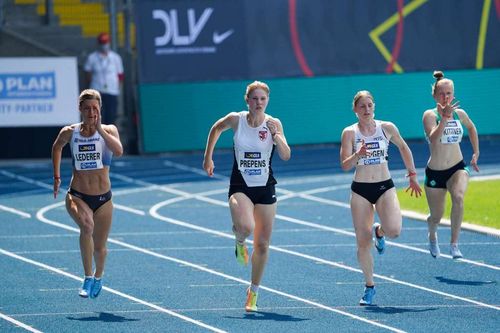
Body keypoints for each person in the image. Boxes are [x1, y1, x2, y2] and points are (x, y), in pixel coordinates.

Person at [203, 81, 291, 312]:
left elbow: (286, 155)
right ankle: (240, 241)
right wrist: (208, 157)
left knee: (262, 244)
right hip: (240, 185)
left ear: (267, 101)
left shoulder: (274, 123)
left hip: (265, 187)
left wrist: (277, 135)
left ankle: (253, 291)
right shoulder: (237, 119)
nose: (259, 103)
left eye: (263, 99)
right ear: (247, 101)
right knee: (245, 226)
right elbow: (216, 128)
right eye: (255, 99)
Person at [340, 90, 422, 306]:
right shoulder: (349, 132)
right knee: (362, 241)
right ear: (355, 110)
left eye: (370, 105)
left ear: (374, 107)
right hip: (361, 190)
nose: (366, 110)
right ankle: (369, 286)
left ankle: (380, 231)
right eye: (362, 107)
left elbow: (404, 147)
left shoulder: (386, 128)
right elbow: (345, 165)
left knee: (394, 230)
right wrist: (358, 154)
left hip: (384, 186)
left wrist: (412, 175)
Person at [52, 89, 123, 298]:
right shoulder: (70, 132)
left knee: (100, 247)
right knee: (86, 226)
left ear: (100, 109)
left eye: (95, 108)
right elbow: (57, 147)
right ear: (80, 109)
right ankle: (87, 276)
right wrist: (57, 177)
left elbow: (118, 151)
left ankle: (99, 277)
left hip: (103, 199)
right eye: (87, 108)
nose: (91, 112)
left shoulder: (109, 130)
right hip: (77, 195)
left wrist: (99, 130)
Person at [423, 71, 479, 259]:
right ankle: (432, 234)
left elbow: (471, 127)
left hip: (457, 167)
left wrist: (476, 152)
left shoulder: (459, 113)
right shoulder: (429, 115)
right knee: (436, 216)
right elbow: (433, 138)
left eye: (449, 93)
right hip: (435, 173)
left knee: (458, 197)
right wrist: (444, 119)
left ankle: (454, 244)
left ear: (453, 94)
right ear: (434, 95)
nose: (445, 97)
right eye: (441, 93)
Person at [84, 32, 124, 125]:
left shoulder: (115, 58)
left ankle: (109, 136)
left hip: (111, 90)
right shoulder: (92, 57)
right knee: (97, 115)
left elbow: (120, 75)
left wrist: (117, 88)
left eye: (106, 42)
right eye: (102, 43)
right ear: (99, 44)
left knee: (111, 115)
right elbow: (87, 74)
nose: (104, 45)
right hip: (97, 90)